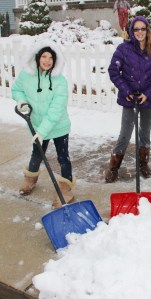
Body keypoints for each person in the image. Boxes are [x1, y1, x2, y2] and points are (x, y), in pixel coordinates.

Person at [12, 40, 75, 208]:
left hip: (58, 126)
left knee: (63, 157)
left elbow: (56, 110)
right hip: (36, 124)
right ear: (38, 57)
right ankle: (30, 179)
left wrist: (42, 132)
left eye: (51, 58)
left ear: (55, 61)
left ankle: (66, 189)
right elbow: (16, 90)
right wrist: (22, 101)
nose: (47, 61)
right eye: (44, 56)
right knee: (37, 154)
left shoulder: (59, 81)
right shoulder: (26, 76)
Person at [104, 15, 151, 183]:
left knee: (145, 134)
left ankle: (143, 165)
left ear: (148, 31)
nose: (139, 32)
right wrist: (126, 91)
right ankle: (113, 167)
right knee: (125, 134)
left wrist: (149, 93)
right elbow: (113, 71)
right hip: (129, 98)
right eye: (136, 29)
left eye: (143, 29)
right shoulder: (123, 49)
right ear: (132, 31)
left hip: (148, 99)